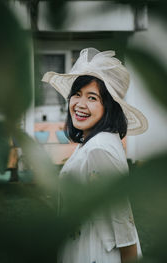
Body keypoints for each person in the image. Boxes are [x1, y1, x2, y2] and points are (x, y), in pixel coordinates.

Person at [42, 48, 148, 263]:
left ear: (108, 107)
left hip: (94, 252)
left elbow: (122, 222)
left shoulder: (100, 148)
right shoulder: (96, 141)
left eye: (92, 97)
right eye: (77, 94)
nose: (80, 105)